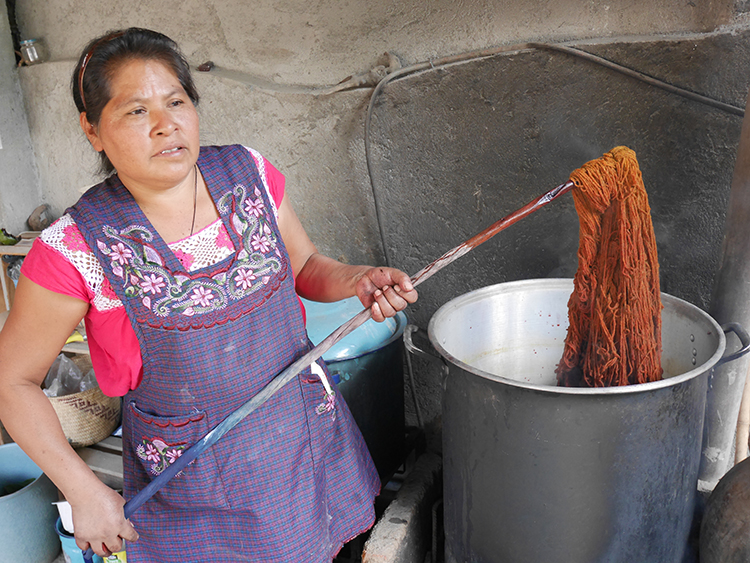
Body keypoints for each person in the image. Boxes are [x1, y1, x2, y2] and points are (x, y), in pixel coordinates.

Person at [0, 27, 417, 561]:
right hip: (195, 479)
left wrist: (358, 280)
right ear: (92, 129)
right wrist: (84, 490)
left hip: (302, 437)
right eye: (135, 111)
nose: (166, 124)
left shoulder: (247, 173)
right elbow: (13, 382)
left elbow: (306, 266)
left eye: (176, 101)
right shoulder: (76, 246)